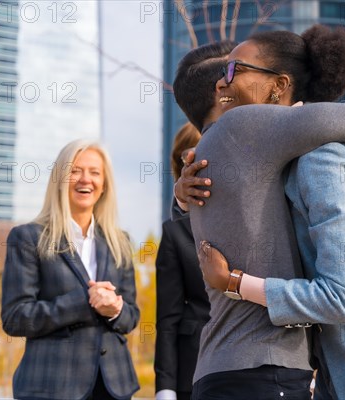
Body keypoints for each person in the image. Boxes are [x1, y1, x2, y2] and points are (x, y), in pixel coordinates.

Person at [174, 25, 345, 399]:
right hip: (269, 367)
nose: (226, 82)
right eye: (223, 73)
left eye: (235, 70)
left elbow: (339, 264)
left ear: (278, 83)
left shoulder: (282, 152)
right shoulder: (244, 132)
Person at [1, 140, 140, 400]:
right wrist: (81, 303)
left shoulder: (120, 241)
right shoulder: (28, 238)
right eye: (74, 170)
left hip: (114, 386)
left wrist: (115, 309)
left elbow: (131, 315)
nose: (85, 179)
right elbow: (15, 317)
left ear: (105, 184)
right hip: (51, 385)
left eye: (94, 172)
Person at [155, 122, 209, 400]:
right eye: (189, 156)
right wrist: (165, 389)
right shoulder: (174, 231)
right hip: (192, 370)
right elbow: (167, 318)